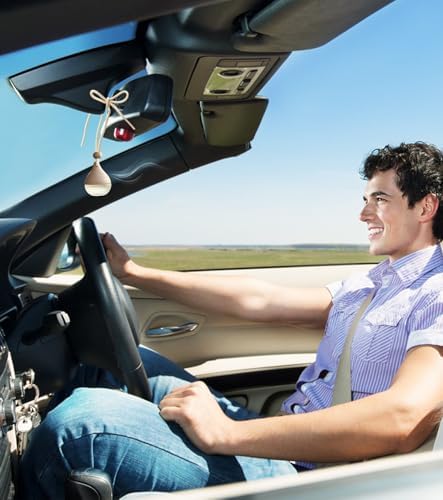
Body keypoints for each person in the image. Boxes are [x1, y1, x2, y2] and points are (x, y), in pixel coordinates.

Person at [20, 142, 443, 498]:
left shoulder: (436, 291)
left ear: (426, 206)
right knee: (109, 364)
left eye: (379, 200)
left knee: (79, 427)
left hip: (318, 472)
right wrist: (135, 274)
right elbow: (261, 301)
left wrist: (224, 433)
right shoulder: (372, 282)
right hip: (283, 436)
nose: (363, 214)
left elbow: (402, 417)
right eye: (365, 200)